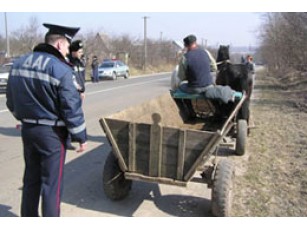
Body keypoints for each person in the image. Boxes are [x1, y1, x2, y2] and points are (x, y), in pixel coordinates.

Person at [6, 23, 87, 217]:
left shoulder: (19, 63)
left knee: (31, 180)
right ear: (59, 44)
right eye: (68, 46)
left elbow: (11, 100)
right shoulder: (60, 69)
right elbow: (71, 107)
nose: (68, 50)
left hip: (28, 130)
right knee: (52, 185)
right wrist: (80, 136)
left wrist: (25, 118)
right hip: (52, 134)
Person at [66, 40, 86, 150]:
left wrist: (82, 91)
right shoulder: (68, 62)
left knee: (76, 114)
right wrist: (78, 90)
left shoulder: (80, 61)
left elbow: (81, 78)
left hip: (79, 93)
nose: (81, 53)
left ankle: (73, 136)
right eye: (79, 51)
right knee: (70, 115)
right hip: (72, 93)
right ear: (73, 52)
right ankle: (67, 139)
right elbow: (71, 79)